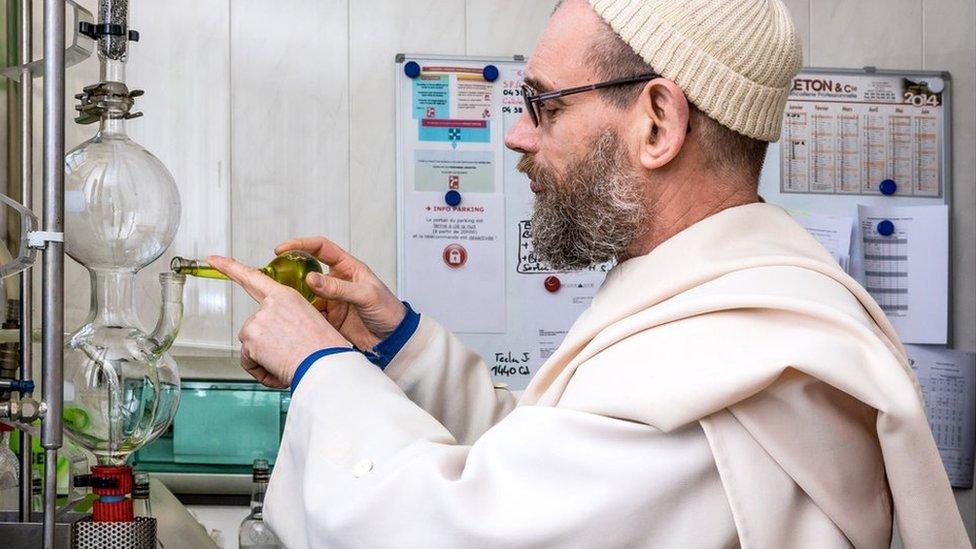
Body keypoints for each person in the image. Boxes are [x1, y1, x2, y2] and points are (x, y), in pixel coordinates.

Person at [208, 0, 970, 546]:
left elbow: (457, 529)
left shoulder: (727, 361)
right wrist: (399, 341)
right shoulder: (726, 301)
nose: (515, 135)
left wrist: (319, 364)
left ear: (658, 123)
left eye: (542, 104)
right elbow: (547, 465)